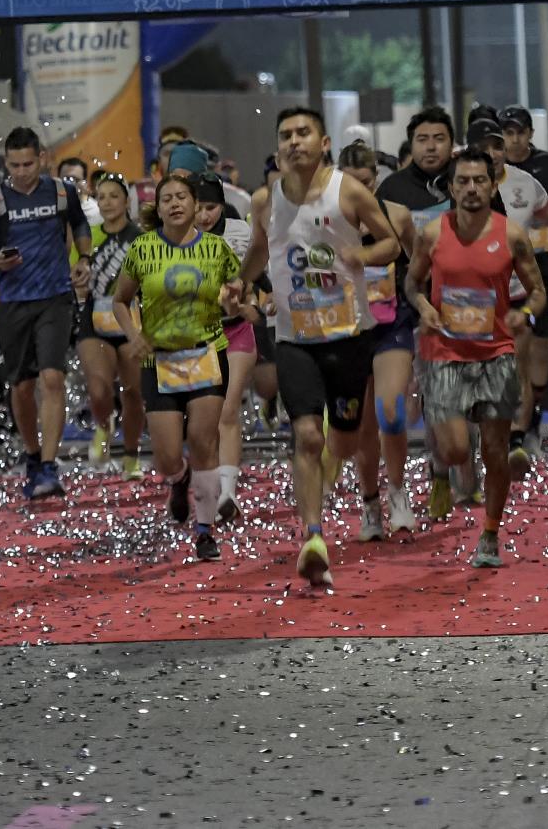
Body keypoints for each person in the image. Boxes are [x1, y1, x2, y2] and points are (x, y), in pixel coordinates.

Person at [237, 106, 399, 588]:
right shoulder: (265, 200)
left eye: (303, 133)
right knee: (307, 436)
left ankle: (332, 475)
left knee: (343, 442)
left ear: (323, 142)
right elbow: (261, 250)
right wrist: (239, 283)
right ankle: (313, 538)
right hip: (294, 338)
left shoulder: (347, 190)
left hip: (348, 336)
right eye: (285, 134)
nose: (294, 141)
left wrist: (361, 254)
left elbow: (391, 244)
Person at [405, 146, 546, 569]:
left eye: (479, 181)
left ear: (492, 185)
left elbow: (538, 291)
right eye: (462, 182)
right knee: (454, 450)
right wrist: (424, 308)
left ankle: (489, 531)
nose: (470, 189)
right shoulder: (432, 234)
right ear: (450, 188)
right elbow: (411, 285)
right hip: (444, 354)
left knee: (496, 450)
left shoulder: (512, 235)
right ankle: (449, 476)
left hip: (495, 353)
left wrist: (523, 314)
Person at [113, 172, 243, 563]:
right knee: (168, 455)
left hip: (206, 352)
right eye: (166, 198)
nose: (174, 204)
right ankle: (179, 478)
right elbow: (120, 300)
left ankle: (205, 530)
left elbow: (238, 289)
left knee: (205, 442)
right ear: (159, 206)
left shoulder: (217, 249)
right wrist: (132, 334)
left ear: (195, 204)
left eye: (182, 197)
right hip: (159, 361)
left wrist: (235, 300)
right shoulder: (142, 249)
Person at [0, 125, 93, 501]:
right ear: (5, 162)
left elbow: (79, 224)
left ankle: (48, 463)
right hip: (13, 301)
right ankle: (30, 454)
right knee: (22, 386)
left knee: (53, 378)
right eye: (14, 165)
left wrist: (84, 258)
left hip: (55, 298)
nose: (22, 171)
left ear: (41, 158)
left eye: (28, 163)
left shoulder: (61, 191)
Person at [467, 118, 548, 478]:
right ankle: (472, 448)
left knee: (519, 363)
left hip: (517, 296)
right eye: (484, 148)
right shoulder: (455, 184)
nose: (493, 153)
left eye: (497, 146)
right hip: (468, 300)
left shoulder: (523, 183)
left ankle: (517, 439)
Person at [338, 141, 418, 541]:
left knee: (391, 410)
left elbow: (418, 266)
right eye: (351, 184)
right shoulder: (326, 222)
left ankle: (399, 492)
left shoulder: (397, 216)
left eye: (366, 183)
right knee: (362, 429)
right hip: (346, 330)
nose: (359, 192)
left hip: (392, 324)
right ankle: (370, 503)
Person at [193, 171, 254, 521]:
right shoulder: (176, 240)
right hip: (196, 338)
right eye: (198, 208)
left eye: (212, 207)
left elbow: (258, 276)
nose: (205, 216)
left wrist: (259, 299)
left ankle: (228, 494)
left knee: (229, 411)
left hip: (237, 331)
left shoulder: (239, 234)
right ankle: (210, 489)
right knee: (204, 422)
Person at [76, 173, 144, 477]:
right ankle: (103, 426)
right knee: (99, 388)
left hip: (131, 323)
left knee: (133, 393)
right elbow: (76, 278)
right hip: (94, 321)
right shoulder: (88, 237)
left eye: (114, 196)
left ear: (127, 201)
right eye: (101, 197)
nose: (107, 203)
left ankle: (131, 457)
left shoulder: (141, 239)